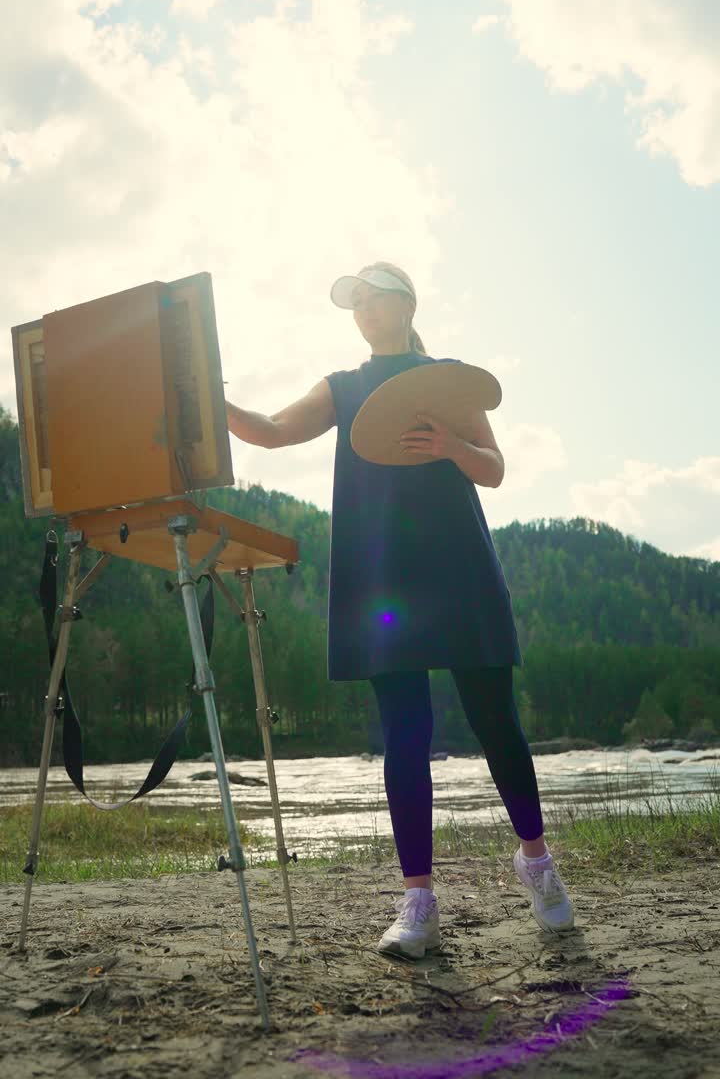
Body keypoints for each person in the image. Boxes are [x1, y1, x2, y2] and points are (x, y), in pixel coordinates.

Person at [226, 261, 574, 959]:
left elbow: (496, 467)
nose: (362, 312)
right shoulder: (344, 386)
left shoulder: (446, 377)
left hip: (459, 568)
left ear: (405, 302)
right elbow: (269, 431)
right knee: (404, 736)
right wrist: (209, 399)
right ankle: (418, 900)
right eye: (353, 304)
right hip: (384, 579)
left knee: (495, 723)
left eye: (372, 299)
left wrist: (450, 446)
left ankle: (535, 862)